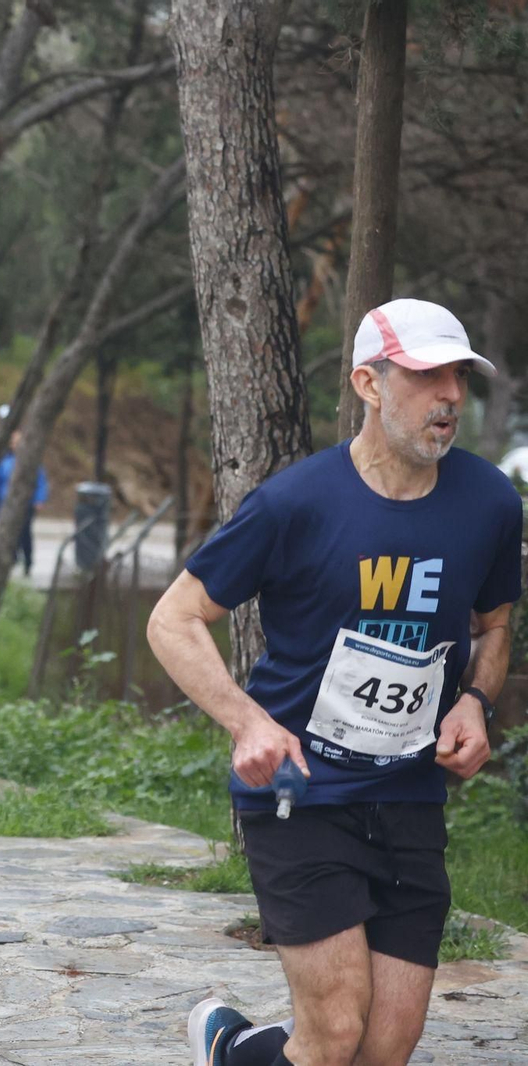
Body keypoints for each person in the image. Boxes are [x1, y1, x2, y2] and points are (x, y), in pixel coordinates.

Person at [146, 299, 520, 1066]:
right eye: (425, 375)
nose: (448, 393)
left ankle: (233, 1050)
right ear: (369, 384)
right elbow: (173, 619)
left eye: (457, 374)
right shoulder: (295, 504)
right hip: (301, 793)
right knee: (336, 1031)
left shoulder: (489, 502)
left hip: (412, 795)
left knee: (385, 1048)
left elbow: (493, 627)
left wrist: (477, 703)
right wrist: (247, 722)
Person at [0, 427, 48, 576]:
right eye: (13, 442)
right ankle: (9, 561)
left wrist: (39, 499)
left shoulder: (32, 463)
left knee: (24, 533)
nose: (16, 445)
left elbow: (40, 482)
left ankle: (27, 562)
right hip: (4, 502)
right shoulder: (5, 463)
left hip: (25, 503)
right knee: (4, 533)